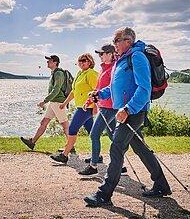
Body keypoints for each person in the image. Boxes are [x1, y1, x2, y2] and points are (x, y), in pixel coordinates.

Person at [84, 27, 171, 208]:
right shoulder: (121, 60)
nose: (114, 44)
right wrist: (100, 94)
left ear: (127, 41)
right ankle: (161, 185)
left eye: (116, 40)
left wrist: (128, 109)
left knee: (116, 148)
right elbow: (116, 88)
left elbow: (144, 89)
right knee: (140, 148)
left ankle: (104, 194)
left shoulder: (136, 57)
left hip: (133, 112)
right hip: (126, 111)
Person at [78, 44, 127, 177]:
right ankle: (121, 166)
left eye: (102, 53)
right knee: (112, 136)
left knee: (94, 134)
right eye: (99, 54)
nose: (100, 56)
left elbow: (114, 88)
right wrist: (88, 101)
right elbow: (98, 89)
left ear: (111, 54)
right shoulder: (104, 68)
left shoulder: (114, 69)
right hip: (104, 105)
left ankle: (93, 166)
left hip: (109, 107)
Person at [50, 53, 98, 163]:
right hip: (81, 106)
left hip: (86, 108)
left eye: (84, 60)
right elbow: (74, 91)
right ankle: (97, 155)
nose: (81, 62)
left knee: (72, 129)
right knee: (92, 132)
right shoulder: (80, 74)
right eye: (80, 61)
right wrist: (65, 103)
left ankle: (64, 155)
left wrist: (95, 107)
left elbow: (97, 91)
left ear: (90, 62)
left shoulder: (91, 74)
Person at [21, 55, 68, 150]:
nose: (47, 62)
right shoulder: (53, 73)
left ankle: (70, 146)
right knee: (44, 122)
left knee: (65, 125)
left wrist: (44, 101)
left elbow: (56, 89)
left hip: (58, 103)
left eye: (49, 61)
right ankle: (32, 142)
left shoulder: (58, 73)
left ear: (55, 62)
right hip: (53, 102)